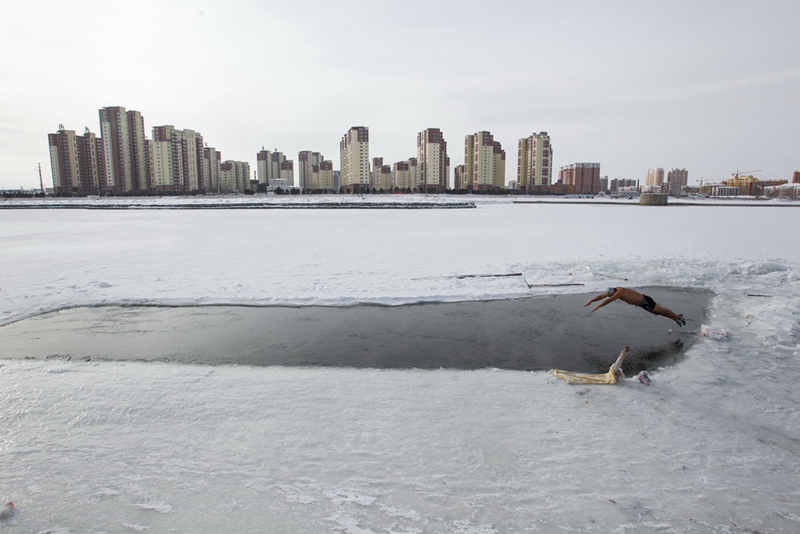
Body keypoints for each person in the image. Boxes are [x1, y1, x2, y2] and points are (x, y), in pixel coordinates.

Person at [584, 287, 686, 327]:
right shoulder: (612, 291)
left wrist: (598, 306)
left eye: (611, 295)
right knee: (657, 313)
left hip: (645, 300)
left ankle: (679, 317)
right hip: (641, 304)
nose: (611, 296)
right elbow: (603, 296)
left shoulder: (620, 292)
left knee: (661, 310)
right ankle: (675, 318)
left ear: (614, 292)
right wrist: (590, 301)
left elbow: (609, 300)